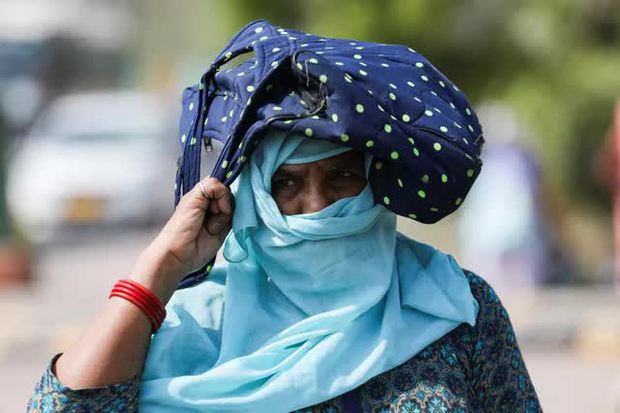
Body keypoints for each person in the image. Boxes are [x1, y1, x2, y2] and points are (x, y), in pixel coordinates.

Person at [28, 20, 542, 412]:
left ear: (374, 182)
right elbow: (66, 405)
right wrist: (163, 263)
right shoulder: (194, 324)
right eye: (287, 184)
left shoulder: (453, 308)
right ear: (255, 197)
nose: (317, 205)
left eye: (341, 176)